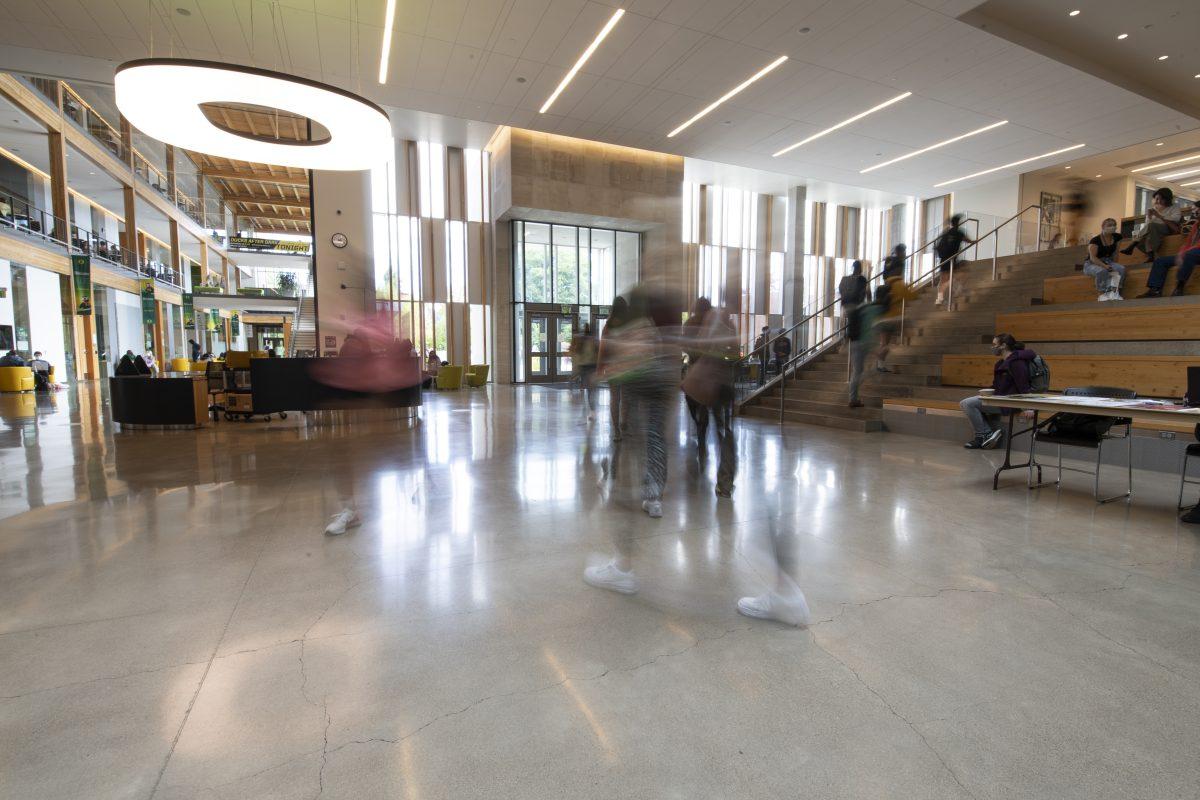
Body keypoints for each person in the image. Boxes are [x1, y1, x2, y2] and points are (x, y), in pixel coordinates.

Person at [682, 300, 739, 497]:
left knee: (705, 416)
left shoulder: (706, 322)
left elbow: (696, 347)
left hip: (705, 382)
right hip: (724, 384)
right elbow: (735, 353)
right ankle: (725, 482)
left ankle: (701, 439)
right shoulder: (729, 325)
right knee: (724, 430)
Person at [959, 333, 1038, 450]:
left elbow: (1023, 386)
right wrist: (987, 393)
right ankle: (985, 434)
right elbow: (996, 385)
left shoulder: (1017, 363)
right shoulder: (1000, 364)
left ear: (1004, 346)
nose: (992, 347)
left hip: (1010, 402)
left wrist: (1029, 407)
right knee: (968, 402)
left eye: (994, 344)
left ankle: (984, 435)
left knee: (967, 403)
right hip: (999, 398)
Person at [1137, 209, 1199, 298]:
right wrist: (1181, 253)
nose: (1194, 212)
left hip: (1194, 253)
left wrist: (1185, 253)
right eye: (1193, 210)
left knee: (1189, 255)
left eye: (1196, 209)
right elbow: (1187, 243)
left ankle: (1179, 287)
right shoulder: (1196, 225)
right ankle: (1155, 290)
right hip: (1190, 253)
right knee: (1160, 261)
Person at [597, 297, 631, 440]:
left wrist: (600, 367)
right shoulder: (629, 325)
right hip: (627, 366)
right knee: (626, 397)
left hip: (612, 367)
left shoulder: (608, 326)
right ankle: (624, 422)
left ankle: (616, 431)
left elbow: (603, 349)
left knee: (614, 398)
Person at [1122, 188, 1182, 263]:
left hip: (1168, 228)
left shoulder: (1174, 206)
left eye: (1161, 199)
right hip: (1154, 230)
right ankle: (1150, 254)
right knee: (1149, 233)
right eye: (1157, 199)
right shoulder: (1154, 208)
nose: (1158, 201)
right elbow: (1148, 225)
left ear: (1167, 199)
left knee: (1150, 228)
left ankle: (1134, 244)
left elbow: (1176, 219)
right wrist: (1149, 216)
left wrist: (1159, 215)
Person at [874, 274, 917, 373]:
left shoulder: (884, 286)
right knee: (908, 331)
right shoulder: (899, 284)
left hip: (880, 319)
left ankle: (880, 365)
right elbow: (911, 296)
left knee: (884, 343)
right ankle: (896, 344)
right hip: (893, 319)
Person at [846, 296, 883, 408]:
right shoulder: (871, 310)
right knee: (862, 372)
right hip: (863, 342)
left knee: (857, 371)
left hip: (854, 342)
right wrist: (874, 348)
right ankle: (853, 397)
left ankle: (853, 398)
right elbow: (869, 330)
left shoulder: (857, 311)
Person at [934, 214, 973, 306]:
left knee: (944, 279)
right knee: (962, 272)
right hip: (952, 259)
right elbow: (968, 240)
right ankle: (958, 290)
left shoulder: (946, 233)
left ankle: (939, 300)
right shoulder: (959, 232)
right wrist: (974, 241)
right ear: (958, 223)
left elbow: (938, 246)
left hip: (943, 259)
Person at [1083, 218, 1126, 301]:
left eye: (1114, 225)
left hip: (1108, 260)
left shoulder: (1118, 237)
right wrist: (1105, 266)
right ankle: (1101, 294)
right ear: (1103, 227)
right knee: (1102, 271)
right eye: (1109, 225)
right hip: (1092, 263)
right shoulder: (1095, 240)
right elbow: (1092, 258)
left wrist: (1114, 266)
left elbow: (1116, 252)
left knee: (1120, 268)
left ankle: (1113, 291)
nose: (1112, 227)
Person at [571, 322, 599, 419]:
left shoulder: (583, 341)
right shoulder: (593, 341)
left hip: (586, 367)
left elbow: (577, 355)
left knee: (590, 390)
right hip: (590, 367)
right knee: (591, 390)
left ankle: (592, 410)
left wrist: (576, 370)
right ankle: (592, 410)